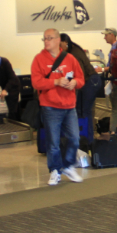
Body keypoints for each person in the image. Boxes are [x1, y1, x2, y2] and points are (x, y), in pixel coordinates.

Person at [30, 28, 85, 186]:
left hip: (69, 106)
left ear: (58, 40)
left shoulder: (70, 58)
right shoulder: (39, 59)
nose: (46, 41)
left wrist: (75, 82)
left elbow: (81, 78)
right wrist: (55, 82)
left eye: (49, 38)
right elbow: (36, 82)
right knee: (53, 142)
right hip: (50, 107)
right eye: (44, 38)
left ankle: (68, 165)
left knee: (74, 138)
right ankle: (55, 170)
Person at [59, 33, 100, 119]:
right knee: (86, 111)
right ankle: (87, 131)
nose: (59, 48)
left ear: (65, 42)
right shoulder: (74, 49)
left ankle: (85, 132)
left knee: (83, 111)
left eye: (60, 44)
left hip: (90, 81)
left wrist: (68, 81)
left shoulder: (74, 54)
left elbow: (79, 73)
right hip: (91, 80)